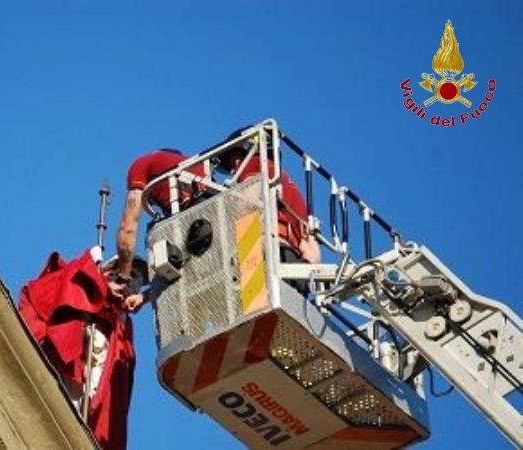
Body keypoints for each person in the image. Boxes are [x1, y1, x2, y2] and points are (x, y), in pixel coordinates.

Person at [17, 248, 147, 450]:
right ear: (106, 272)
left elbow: (117, 392)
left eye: (136, 279)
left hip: (90, 401)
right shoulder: (81, 286)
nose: (128, 281)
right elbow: (48, 295)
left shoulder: (123, 329)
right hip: (64, 376)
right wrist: (88, 265)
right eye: (121, 273)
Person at [110, 149, 206, 299]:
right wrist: (143, 298)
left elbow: (128, 229)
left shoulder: (142, 164)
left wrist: (123, 277)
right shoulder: (200, 168)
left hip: (198, 235)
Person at [218, 126, 321, 265]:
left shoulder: (254, 164)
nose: (233, 170)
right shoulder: (288, 185)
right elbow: (314, 255)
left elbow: (245, 205)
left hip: (267, 251)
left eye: (233, 162)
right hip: (292, 258)